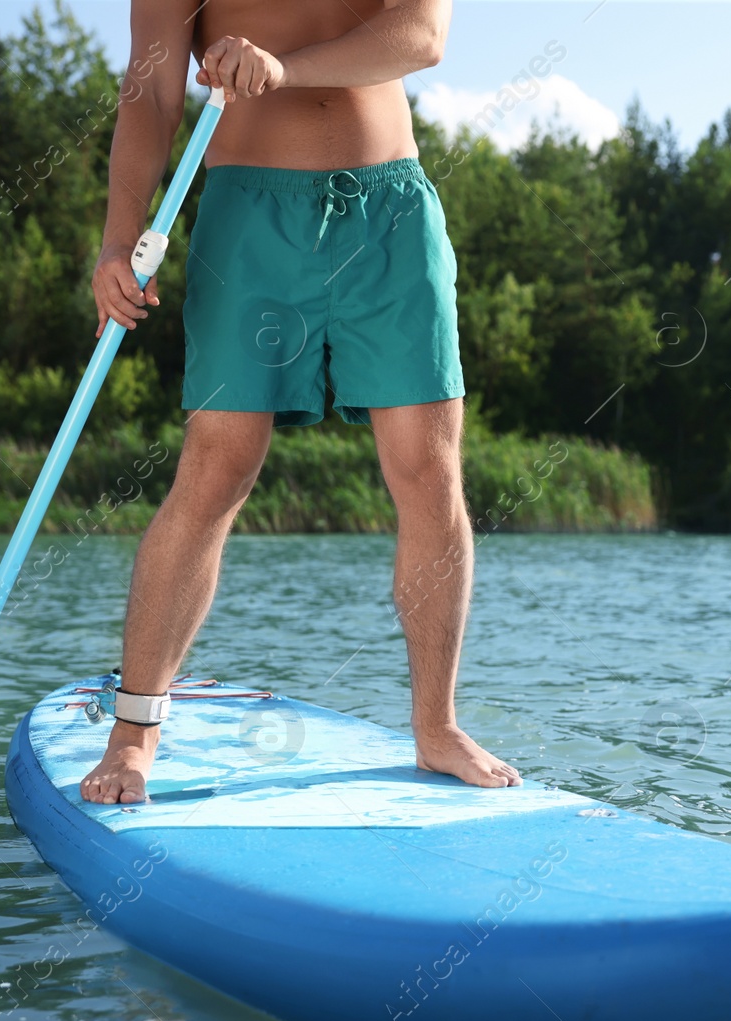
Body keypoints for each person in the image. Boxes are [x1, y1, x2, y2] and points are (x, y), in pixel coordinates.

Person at [79, 0, 521, 804]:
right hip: (249, 215)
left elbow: (422, 38)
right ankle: (135, 731)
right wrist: (121, 236)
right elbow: (150, 93)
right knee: (218, 464)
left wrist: (288, 67)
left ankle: (436, 726)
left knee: (428, 468)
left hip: (389, 210)